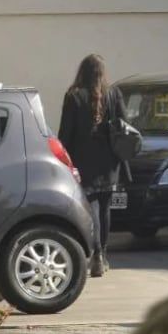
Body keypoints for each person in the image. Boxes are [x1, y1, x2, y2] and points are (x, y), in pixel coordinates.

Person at [58, 54, 128, 277]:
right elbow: (125, 126)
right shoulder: (113, 94)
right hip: (109, 162)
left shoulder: (73, 96)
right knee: (105, 208)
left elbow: (65, 133)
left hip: (84, 161)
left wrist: (63, 158)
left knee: (92, 208)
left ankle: (96, 253)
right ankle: (103, 254)